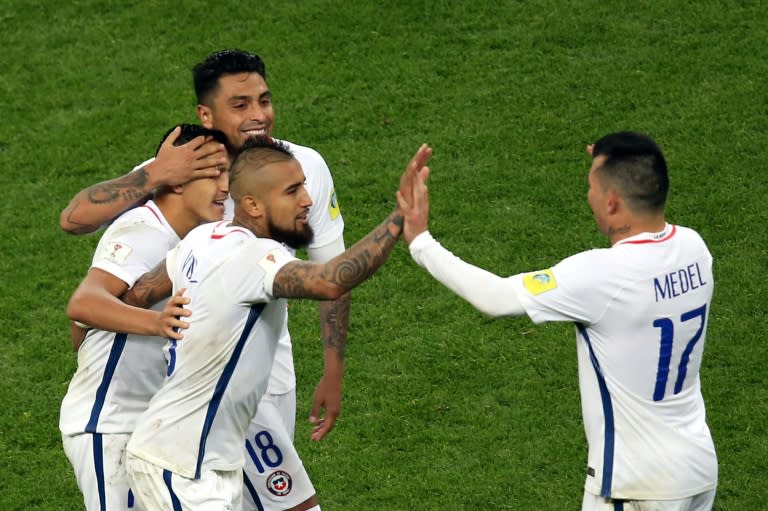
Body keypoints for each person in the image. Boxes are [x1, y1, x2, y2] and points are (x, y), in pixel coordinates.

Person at [59, 49, 349, 511]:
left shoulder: (302, 166)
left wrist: (333, 368)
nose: (257, 116)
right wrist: (156, 173)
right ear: (206, 114)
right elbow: (76, 224)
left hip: (261, 379)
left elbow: (331, 270)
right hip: (167, 399)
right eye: (240, 105)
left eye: (264, 100)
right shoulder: (182, 170)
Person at [398, 132, 717, 511]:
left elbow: (496, 298)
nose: (588, 196)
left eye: (592, 188)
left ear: (612, 202)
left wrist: (421, 242)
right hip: (696, 471)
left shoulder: (603, 275)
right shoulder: (695, 249)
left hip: (637, 486)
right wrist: (613, 161)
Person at [114, 138, 431, 510]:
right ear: (252, 204)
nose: (307, 201)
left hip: (205, 460)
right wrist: (399, 219)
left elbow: (137, 295)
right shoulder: (255, 256)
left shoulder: (201, 239)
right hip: (181, 468)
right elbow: (329, 281)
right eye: (292, 191)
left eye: (304, 187)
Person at [60, 124, 232, 511]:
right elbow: (83, 303)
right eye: (213, 174)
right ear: (177, 181)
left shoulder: (199, 236)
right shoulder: (145, 231)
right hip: (110, 424)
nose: (225, 187)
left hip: (155, 425)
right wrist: (158, 324)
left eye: (228, 174)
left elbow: (82, 327)